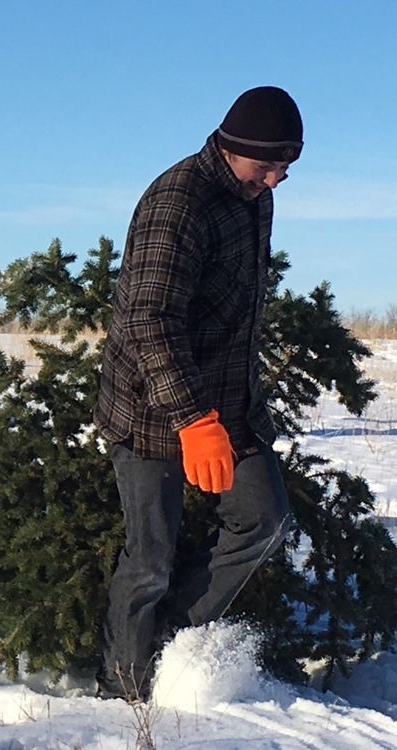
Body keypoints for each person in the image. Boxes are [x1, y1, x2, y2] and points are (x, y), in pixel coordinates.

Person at [93, 86, 302, 701]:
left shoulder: (253, 196)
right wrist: (192, 420)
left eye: (287, 167)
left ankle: (174, 645)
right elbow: (146, 320)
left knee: (264, 519)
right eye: (268, 164)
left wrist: (230, 412)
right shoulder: (177, 201)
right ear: (234, 147)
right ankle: (122, 689)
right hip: (151, 411)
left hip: (230, 405)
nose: (276, 179)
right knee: (150, 559)